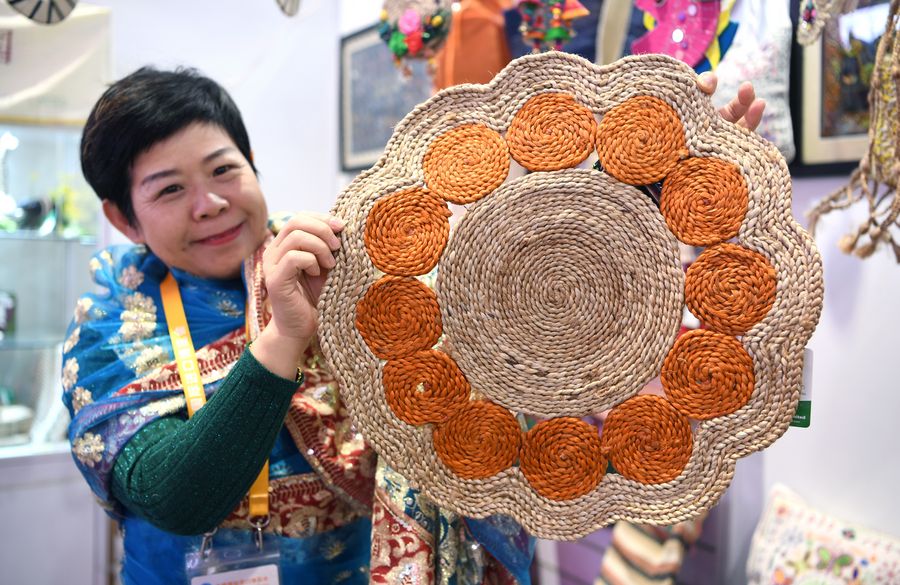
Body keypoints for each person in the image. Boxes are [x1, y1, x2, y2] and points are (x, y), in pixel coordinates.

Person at [61, 66, 765, 585]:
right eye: (170, 189)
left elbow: (515, 290)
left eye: (224, 170)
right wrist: (280, 341)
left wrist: (654, 182)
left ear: (252, 166)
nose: (211, 203)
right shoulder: (111, 329)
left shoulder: (340, 259)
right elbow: (176, 497)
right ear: (122, 217)